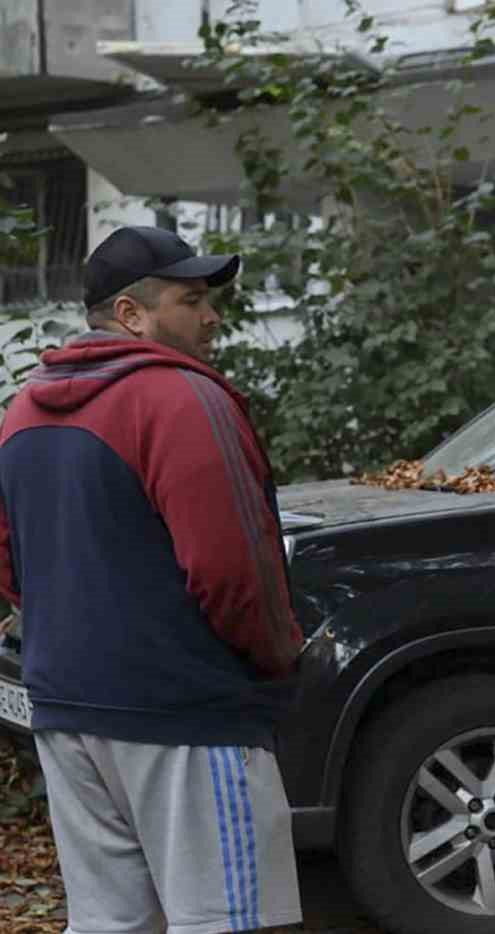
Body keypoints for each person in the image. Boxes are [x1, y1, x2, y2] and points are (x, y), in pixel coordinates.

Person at [0, 225, 306, 933]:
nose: (211, 316)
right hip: (187, 713)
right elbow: (237, 569)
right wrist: (275, 663)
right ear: (132, 315)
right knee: (230, 921)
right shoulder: (181, 402)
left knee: (111, 925)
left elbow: (14, 567)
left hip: (68, 713)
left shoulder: (22, 412)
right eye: (190, 298)